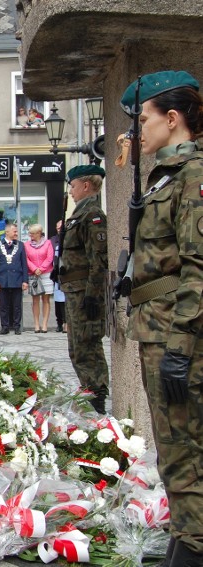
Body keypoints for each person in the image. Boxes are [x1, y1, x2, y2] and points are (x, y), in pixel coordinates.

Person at [120, 70, 203, 566]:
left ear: (171, 119)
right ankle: (184, 539)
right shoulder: (167, 177)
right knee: (174, 454)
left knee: (186, 453)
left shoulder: (193, 178)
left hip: (178, 336)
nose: (138, 132)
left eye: (144, 120)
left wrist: (180, 343)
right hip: (160, 329)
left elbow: (198, 266)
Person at [57, 164, 109, 412]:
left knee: (87, 344)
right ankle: (87, 388)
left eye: (73, 186)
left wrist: (93, 295)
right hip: (75, 291)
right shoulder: (80, 213)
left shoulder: (93, 215)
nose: (71, 191)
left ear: (86, 185)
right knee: (76, 346)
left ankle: (97, 393)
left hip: (85, 293)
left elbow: (99, 259)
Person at [0, 223, 28, 335]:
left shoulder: (21, 245)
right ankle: (4, 326)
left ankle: (17, 326)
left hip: (17, 279)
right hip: (3, 280)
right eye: (14, 231)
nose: (16, 233)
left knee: (17, 305)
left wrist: (25, 281)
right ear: (7, 232)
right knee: (4, 305)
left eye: (16, 231)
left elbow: (24, 264)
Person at [25, 224, 55, 333]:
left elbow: (49, 257)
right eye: (30, 233)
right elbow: (26, 258)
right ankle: (36, 324)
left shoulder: (47, 243)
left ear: (38, 233)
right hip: (33, 274)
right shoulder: (27, 245)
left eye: (32, 233)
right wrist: (34, 268)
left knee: (46, 299)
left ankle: (44, 324)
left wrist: (41, 269)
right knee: (35, 299)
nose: (30, 235)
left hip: (46, 273)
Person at [49, 220, 67, 332]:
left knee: (66, 300)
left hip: (67, 272)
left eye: (62, 227)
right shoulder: (52, 240)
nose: (60, 229)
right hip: (56, 273)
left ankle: (66, 323)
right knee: (58, 300)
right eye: (58, 227)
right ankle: (59, 323)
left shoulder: (68, 239)